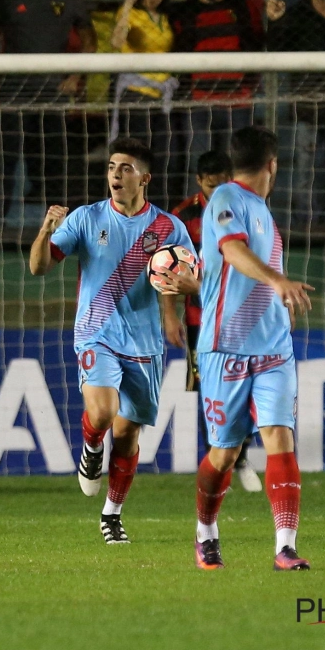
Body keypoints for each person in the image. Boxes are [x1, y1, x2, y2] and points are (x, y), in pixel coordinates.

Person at [29, 138, 199, 546]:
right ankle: (90, 447)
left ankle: (112, 515)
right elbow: (38, 267)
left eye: (124, 168)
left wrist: (183, 290)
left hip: (144, 343)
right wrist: (45, 229)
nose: (115, 175)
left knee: (127, 436)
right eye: (111, 167)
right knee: (102, 414)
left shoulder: (167, 227)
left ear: (144, 178)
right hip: (96, 332)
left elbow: (194, 278)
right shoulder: (87, 219)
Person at [193, 127, 313, 571]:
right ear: (273, 164)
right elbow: (232, 251)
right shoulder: (226, 197)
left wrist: (280, 299)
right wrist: (278, 281)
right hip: (225, 349)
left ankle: (285, 546)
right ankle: (205, 532)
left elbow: (259, 269)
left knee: (280, 439)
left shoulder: (265, 214)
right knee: (223, 453)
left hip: (274, 351)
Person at [0, 0, 97, 225]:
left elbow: (90, 41)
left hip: (52, 96)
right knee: (3, 162)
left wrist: (74, 76)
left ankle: (61, 230)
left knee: (55, 165)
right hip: (12, 95)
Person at [170, 151, 259, 494]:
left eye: (221, 182)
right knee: (209, 389)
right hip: (199, 317)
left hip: (240, 315)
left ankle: (242, 456)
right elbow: (169, 266)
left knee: (247, 383)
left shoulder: (247, 209)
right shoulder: (182, 216)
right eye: (210, 184)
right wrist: (169, 313)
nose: (217, 188)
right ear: (199, 182)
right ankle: (219, 459)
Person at [266, 0, 325, 226]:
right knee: (305, 171)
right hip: (306, 105)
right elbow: (277, 51)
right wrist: (275, 23)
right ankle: (306, 224)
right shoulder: (298, 14)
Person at [171, 0, 261, 168]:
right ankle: (200, 204)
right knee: (199, 168)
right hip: (199, 101)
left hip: (237, 101)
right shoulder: (185, 11)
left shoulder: (242, 8)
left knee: (238, 168)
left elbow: (256, 43)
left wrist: (248, 86)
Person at [110, 0, 180, 208]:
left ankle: (158, 212)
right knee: (136, 160)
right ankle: (130, 208)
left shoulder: (166, 18)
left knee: (162, 159)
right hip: (136, 97)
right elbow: (117, 41)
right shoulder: (131, 14)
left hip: (161, 99)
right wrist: (128, 3)